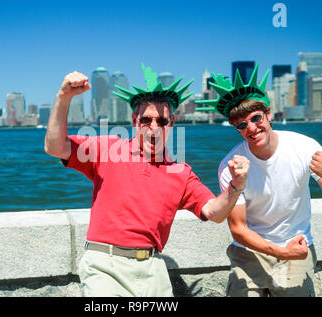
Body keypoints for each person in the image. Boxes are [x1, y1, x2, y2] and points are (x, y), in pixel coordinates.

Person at [45, 64, 250, 297]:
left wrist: (236, 186)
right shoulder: (107, 148)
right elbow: (55, 147)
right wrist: (64, 96)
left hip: (153, 269)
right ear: (135, 121)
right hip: (105, 266)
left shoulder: (181, 172)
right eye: (146, 120)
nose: (154, 128)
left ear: (171, 124)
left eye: (161, 122)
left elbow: (216, 212)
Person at [196, 64, 322, 297]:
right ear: (236, 129)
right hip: (248, 251)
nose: (251, 128)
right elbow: (238, 230)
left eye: (256, 118)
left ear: (269, 115)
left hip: (297, 245)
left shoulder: (305, 147)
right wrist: (280, 251)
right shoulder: (231, 166)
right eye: (241, 125)